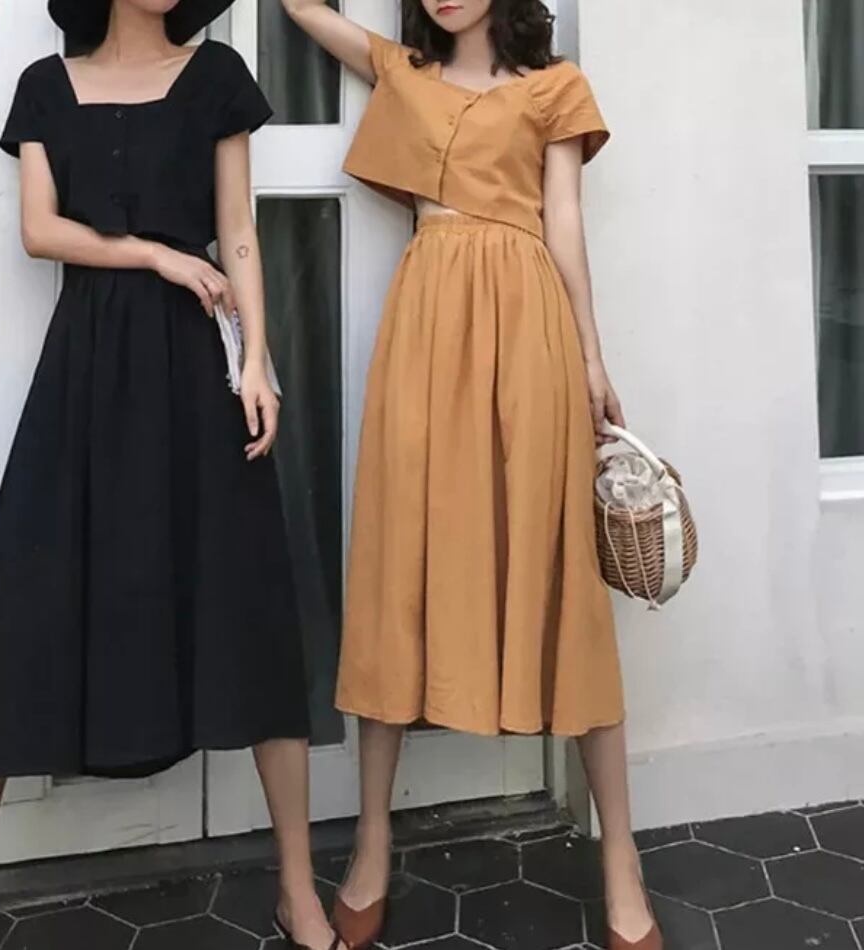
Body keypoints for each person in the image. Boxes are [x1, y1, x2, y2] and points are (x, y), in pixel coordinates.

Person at [0, 1, 342, 948]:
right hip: (87, 361)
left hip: (196, 367)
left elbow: (237, 231)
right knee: (25, 602)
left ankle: (297, 888)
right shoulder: (44, 86)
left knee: (246, 600)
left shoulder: (217, 77)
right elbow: (39, 231)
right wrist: (153, 254)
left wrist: (258, 359)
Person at [281, 1, 662, 948]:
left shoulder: (554, 87)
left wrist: (591, 358)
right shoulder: (400, 71)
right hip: (424, 322)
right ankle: (372, 842)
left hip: (527, 320)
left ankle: (620, 857)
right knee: (398, 568)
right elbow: (299, 7)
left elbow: (563, 219)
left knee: (561, 573)